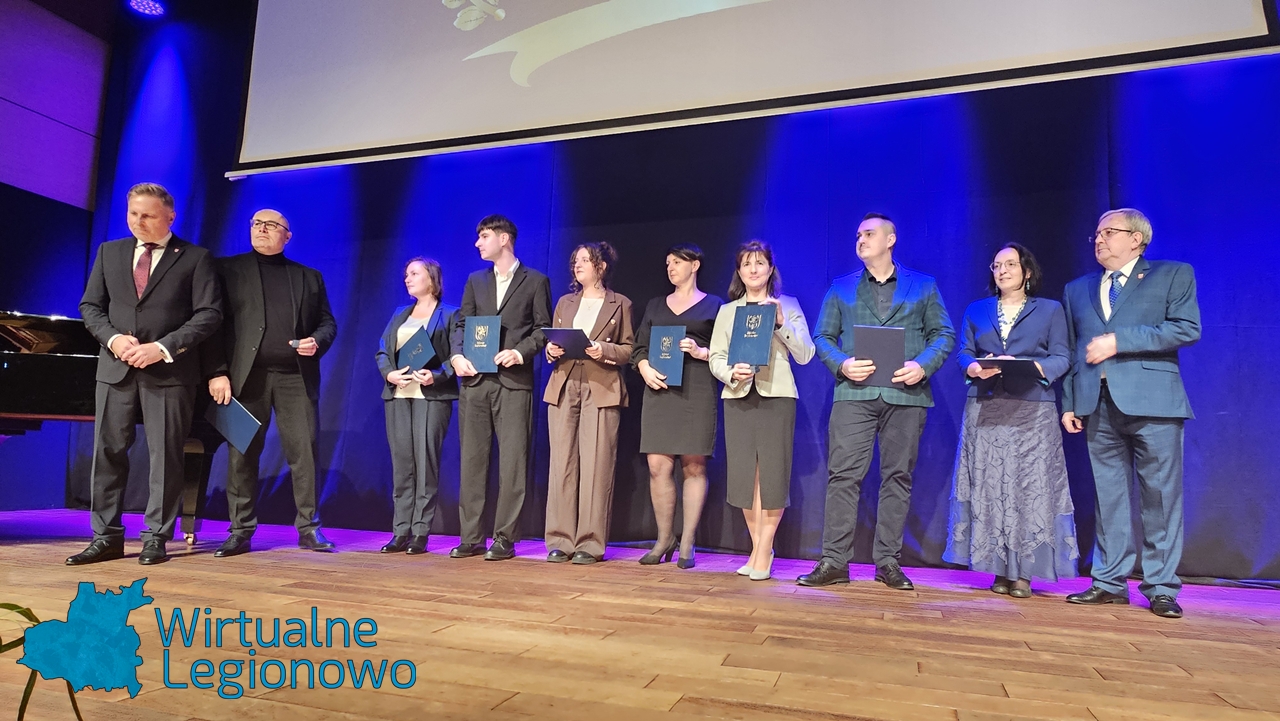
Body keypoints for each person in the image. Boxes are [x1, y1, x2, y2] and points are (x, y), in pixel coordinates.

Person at [69, 182, 222, 566]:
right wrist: (113, 339)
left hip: (169, 372)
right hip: (116, 369)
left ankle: (156, 537)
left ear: (170, 216)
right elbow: (90, 307)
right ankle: (105, 537)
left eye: (148, 215)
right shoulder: (109, 252)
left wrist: (163, 347)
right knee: (107, 454)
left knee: (166, 456)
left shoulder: (195, 258)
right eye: (133, 214)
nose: (139, 222)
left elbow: (209, 314)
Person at [799, 213, 955, 590]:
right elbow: (822, 337)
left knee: (897, 477)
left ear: (890, 239)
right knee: (843, 476)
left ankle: (888, 561)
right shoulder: (841, 287)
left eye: (869, 234)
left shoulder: (923, 285)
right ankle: (834, 561)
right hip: (855, 393)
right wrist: (842, 364)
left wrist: (922, 366)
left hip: (906, 393)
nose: (861, 239)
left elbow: (943, 334)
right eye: (858, 235)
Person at [1061, 209, 1200, 619]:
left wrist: (1119, 341)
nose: (1099, 239)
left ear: (1137, 239)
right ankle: (1109, 582)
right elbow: (1073, 350)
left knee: (1160, 498)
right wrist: (1069, 402)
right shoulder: (1077, 289)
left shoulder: (1173, 274)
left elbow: (1186, 328)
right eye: (1096, 233)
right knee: (1109, 499)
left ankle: (1161, 587)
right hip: (1096, 403)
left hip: (1154, 402)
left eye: (1109, 232)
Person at [202, 209, 339, 556]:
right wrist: (217, 371)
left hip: (296, 377)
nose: (262, 229)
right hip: (244, 378)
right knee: (241, 455)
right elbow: (212, 325)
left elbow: (327, 323)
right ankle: (240, 531)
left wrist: (317, 341)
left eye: (271, 225)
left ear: (287, 236)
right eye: (256, 224)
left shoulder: (309, 277)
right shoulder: (226, 270)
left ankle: (309, 528)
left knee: (304, 453)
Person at [944, 243, 1076, 598]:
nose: (1002, 270)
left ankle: (1024, 573)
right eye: (997, 265)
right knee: (990, 486)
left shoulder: (1049, 310)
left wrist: (1033, 368)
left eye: (1010, 265)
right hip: (986, 405)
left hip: (1032, 407)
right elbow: (964, 354)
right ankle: (998, 569)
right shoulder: (977, 309)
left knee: (1028, 487)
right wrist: (973, 368)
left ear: (1027, 272)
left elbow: (1062, 356)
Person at [708, 241, 814, 580]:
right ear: (739, 272)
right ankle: (759, 550)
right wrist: (730, 372)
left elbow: (805, 354)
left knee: (772, 476)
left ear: (770, 268)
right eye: (746, 264)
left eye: (759, 263)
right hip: (738, 396)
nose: (753, 270)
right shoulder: (728, 311)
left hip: (776, 396)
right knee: (745, 478)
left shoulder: (788, 305)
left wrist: (781, 324)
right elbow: (715, 356)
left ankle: (763, 551)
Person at [449, 215, 552, 561]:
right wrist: (456, 356)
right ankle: (471, 536)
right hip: (476, 381)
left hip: (513, 383)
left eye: (484, 236)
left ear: (504, 238)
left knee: (513, 462)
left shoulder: (535, 281)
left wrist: (519, 352)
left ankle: (505, 537)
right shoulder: (475, 280)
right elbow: (461, 324)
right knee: (472, 460)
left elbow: (542, 329)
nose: (478, 243)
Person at [542, 242, 634, 564]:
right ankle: (560, 539)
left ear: (601, 266)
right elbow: (553, 341)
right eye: (575, 261)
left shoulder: (620, 303)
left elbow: (628, 349)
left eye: (585, 260)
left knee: (597, 465)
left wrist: (602, 350)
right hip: (565, 385)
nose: (578, 265)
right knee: (562, 465)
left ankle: (590, 543)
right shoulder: (565, 303)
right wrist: (550, 350)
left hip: (601, 386)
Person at [632, 245, 723, 569]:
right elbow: (639, 347)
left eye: (677, 262)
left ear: (694, 265)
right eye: (667, 263)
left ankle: (687, 541)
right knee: (658, 465)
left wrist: (701, 351)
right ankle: (664, 538)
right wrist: (644, 367)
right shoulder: (656, 305)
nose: (670, 267)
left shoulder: (714, 305)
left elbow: (727, 349)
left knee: (694, 466)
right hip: (660, 390)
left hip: (696, 390)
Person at [375, 258, 459, 555]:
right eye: (406, 274)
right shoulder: (400, 313)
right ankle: (400, 531)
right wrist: (390, 374)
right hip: (398, 395)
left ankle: (421, 532)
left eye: (414, 273)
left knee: (426, 465)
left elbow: (457, 356)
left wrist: (437, 375)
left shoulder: (450, 314)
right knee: (402, 465)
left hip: (431, 397)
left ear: (431, 278)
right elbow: (383, 351)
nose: (407, 278)